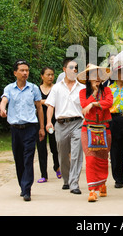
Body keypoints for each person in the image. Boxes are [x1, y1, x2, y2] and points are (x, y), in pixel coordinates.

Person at [0, 60, 45, 202]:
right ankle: (22, 185)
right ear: (15, 73)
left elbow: (39, 108)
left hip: (30, 127)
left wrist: (42, 128)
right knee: (18, 158)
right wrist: (2, 108)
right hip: (15, 129)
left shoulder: (33, 88)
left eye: (27, 70)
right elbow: (4, 100)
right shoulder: (9, 88)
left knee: (28, 158)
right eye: (22, 70)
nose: (25, 73)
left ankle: (27, 189)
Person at [46, 58, 85, 195]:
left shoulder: (82, 88)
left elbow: (86, 106)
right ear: (64, 70)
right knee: (62, 155)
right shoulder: (56, 88)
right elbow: (51, 106)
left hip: (78, 124)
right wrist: (48, 122)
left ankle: (74, 183)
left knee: (76, 154)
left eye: (76, 68)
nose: (74, 70)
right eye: (71, 68)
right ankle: (66, 180)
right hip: (61, 124)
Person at [77, 64, 113, 202]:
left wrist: (93, 104)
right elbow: (83, 104)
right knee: (91, 158)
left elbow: (109, 103)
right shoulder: (82, 93)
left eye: (98, 75)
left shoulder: (107, 90)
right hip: (88, 129)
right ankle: (92, 190)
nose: (97, 78)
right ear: (88, 78)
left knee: (103, 157)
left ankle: (102, 183)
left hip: (104, 128)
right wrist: (93, 95)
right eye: (93, 75)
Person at [36, 67, 61, 183]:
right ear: (42, 76)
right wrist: (47, 102)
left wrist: (42, 102)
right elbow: (34, 102)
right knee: (41, 148)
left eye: (52, 74)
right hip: (40, 122)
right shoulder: (37, 89)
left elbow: (59, 103)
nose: (50, 77)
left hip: (53, 122)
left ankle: (57, 166)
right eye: (48, 74)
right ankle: (43, 174)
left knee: (54, 146)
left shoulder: (57, 88)